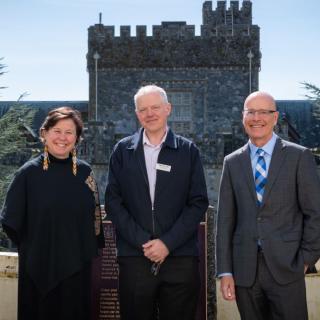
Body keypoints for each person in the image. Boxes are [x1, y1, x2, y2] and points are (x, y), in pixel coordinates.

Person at [105, 85, 208, 320]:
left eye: (155, 108)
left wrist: (167, 243)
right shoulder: (122, 151)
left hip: (180, 259)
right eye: (143, 109)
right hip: (135, 259)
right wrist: (144, 241)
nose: (149, 114)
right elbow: (113, 202)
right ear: (137, 113)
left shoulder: (188, 151)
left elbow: (198, 203)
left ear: (168, 109)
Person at [216, 91, 320, 319]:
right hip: (245, 271)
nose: (257, 118)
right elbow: (224, 221)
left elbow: (315, 213)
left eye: (264, 112)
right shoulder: (232, 162)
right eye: (251, 112)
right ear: (243, 117)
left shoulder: (298, 157)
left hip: (287, 268)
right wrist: (225, 271)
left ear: (275, 117)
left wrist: (305, 260)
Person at [0, 107, 104, 320]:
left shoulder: (86, 173)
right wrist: (38, 249)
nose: (63, 138)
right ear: (44, 133)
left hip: (78, 269)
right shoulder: (27, 174)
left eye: (69, 132)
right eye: (57, 131)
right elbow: (11, 222)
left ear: (77, 138)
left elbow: (95, 221)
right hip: (38, 271)